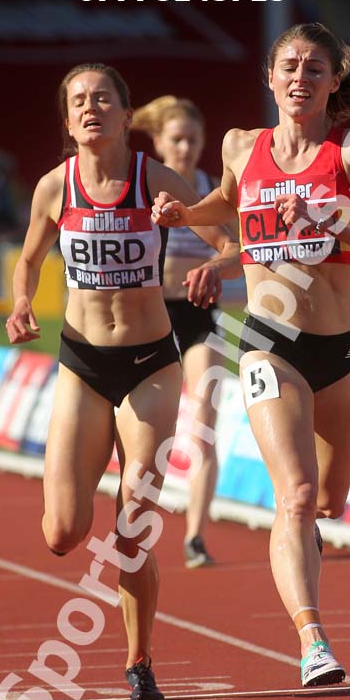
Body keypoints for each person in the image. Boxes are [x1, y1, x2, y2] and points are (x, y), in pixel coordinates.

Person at [152, 23, 350, 687]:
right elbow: (228, 204)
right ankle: (312, 639)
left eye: (313, 68)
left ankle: (305, 548)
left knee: (326, 501)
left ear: (331, 83)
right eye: (288, 66)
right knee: (293, 495)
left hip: (341, 350)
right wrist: (187, 219)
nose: (299, 78)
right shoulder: (243, 146)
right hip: (269, 343)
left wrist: (333, 220)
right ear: (269, 77)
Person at [5, 63, 239, 700]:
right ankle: (74, 499)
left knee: (133, 524)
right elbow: (27, 258)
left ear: (123, 112)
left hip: (150, 364)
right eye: (78, 100)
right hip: (82, 364)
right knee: (61, 535)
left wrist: (215, 266)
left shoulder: (155, 179)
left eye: (102, 98)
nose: (90, 108)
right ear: (67, 118)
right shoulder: (56, 187)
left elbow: (232, 242)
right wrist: (22, 302)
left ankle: (139, 659)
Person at [132, 96, 236, 568]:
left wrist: (216, 265)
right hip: (152, 319)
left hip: (199, 320)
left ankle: (196, 536)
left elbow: (236, 250)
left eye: (194, 139)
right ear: (158, 142)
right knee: (151, 433)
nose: (187, 147)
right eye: (177, 138)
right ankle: (135, 528)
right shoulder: (142, 189)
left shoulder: (213, 192)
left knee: (205, 428)